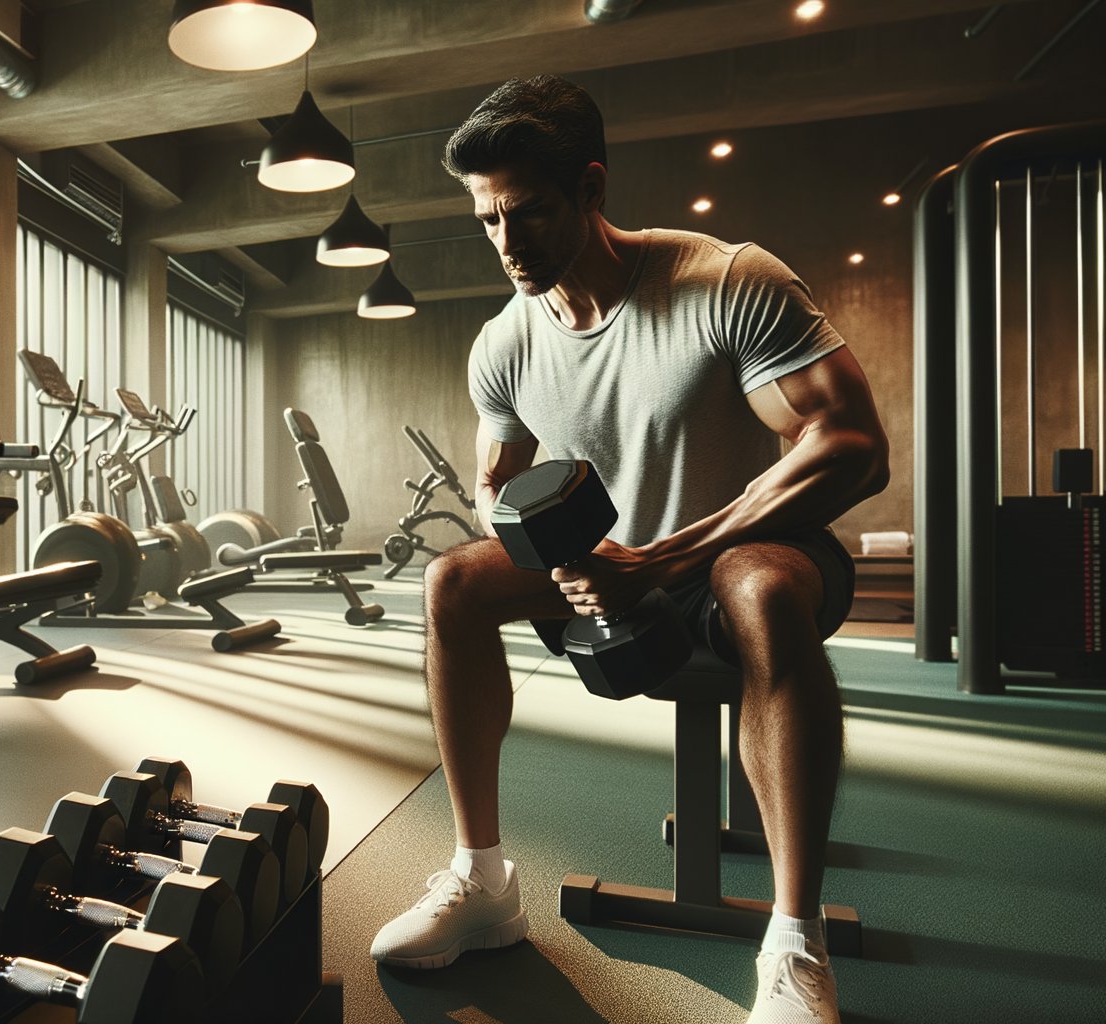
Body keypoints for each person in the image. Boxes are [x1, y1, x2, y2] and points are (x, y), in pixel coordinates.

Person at [367, 75, 890, 1024]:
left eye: (525, 213)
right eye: (487, 220)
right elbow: (496, 488)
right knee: (452, 583)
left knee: (760, 587)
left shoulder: (724, 283)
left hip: (746, 561)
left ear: (592, 189)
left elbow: (850, 443)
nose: (507, 243)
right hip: (609, 579)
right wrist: (558, 555)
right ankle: (482, 880)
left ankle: (794, 943)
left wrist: (661, 559)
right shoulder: (506, 342)